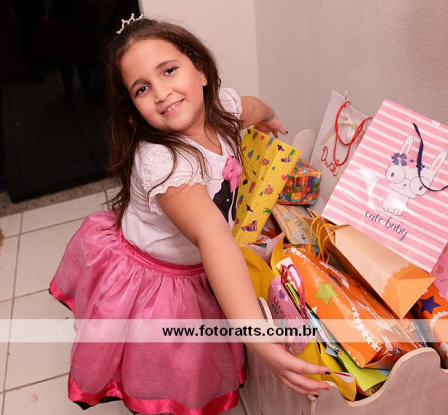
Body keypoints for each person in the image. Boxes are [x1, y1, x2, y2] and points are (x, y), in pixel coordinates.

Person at [49, 14, 330, 415]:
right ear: (132, 110)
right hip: (158, 281)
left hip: (197, 265)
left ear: (200, 71)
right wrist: (258, 338)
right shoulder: (163, 163)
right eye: (142, 88)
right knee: (167, 367)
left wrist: (269, 116)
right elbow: (213, 232)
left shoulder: (223, 109)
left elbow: (251, 107)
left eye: (169, 70)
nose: (161, 92)